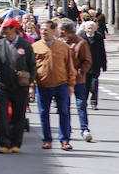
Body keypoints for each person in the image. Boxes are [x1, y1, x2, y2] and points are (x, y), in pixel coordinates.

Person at [0, 18, 35, 153]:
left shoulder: (25, 45)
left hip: (20, 85)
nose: (3, 30)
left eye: (5, 28)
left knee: (18, 114)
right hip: (2, 84)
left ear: (13, 29)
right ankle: (4, 143)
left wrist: (30, 82)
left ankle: (16, 143)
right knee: (3, 114)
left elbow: (32, 65)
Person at [32, 20, 75, 151]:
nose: (43, 32)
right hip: (42, 85)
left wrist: (71, 84)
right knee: (44, 113)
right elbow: (32, 67)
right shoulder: (35, 47)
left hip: (61, 84)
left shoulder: (63, 47)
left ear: (53, 31)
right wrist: (31, 85)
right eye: (42, 29)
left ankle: (65, 140)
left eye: (46, 29)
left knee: (64, 112)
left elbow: (70, 67)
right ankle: (47, 140)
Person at [59, 20, 93, 142]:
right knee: (64, 106)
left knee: (80, 105)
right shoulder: (60, 43)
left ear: (66, 31)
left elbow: (87, 61)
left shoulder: (81, 43)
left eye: (61, 30)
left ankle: (84, 129)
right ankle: (66, 128)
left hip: (78, 80)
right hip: (63, 80)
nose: (59, 33)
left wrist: (79, 72)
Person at [81, 20, 107, 110]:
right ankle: (83, 102)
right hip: (84, 66)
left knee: (94, 85)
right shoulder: (81, 37)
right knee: (85, 86)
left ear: (95, 28)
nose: (90, 30)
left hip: (95, 65)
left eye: (92, 28)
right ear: (85, 29)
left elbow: (102, 51)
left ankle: (94, 102)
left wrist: (104, 65)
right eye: (88, 28)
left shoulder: (98, 37)